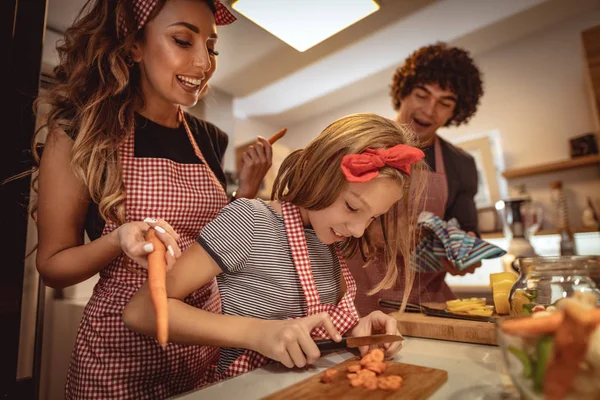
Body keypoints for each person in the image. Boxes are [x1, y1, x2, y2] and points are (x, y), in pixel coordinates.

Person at [33, 0, 273, 398]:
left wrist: (245, 194)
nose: (204, 62)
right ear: (133, 46)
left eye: (211, 48)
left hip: (200, 352)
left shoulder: (210, 139)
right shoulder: (82, 130)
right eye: (183, 40)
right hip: (118, 362)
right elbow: (53, 266)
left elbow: (212, 240)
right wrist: (117, 239)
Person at [123, 113, 427, 382]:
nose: (359, 230)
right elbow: (142, 311)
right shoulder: (250, 220)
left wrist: (357, 332)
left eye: (372, 217)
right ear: (316, 171)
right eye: (351, 206)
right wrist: (258, 334)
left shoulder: (327, 239)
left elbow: (310, 333)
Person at [348, 42, 485, 312]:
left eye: (444, 103)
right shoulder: (359, 140)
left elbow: (468, 233)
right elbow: (321, 220)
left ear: (455, 112)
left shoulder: (461, 164)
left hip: (426, 304)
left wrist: (465, 254)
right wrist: (379, 233)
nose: (429, 110)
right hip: (356, 302)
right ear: (404, 92)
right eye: (422, 95)